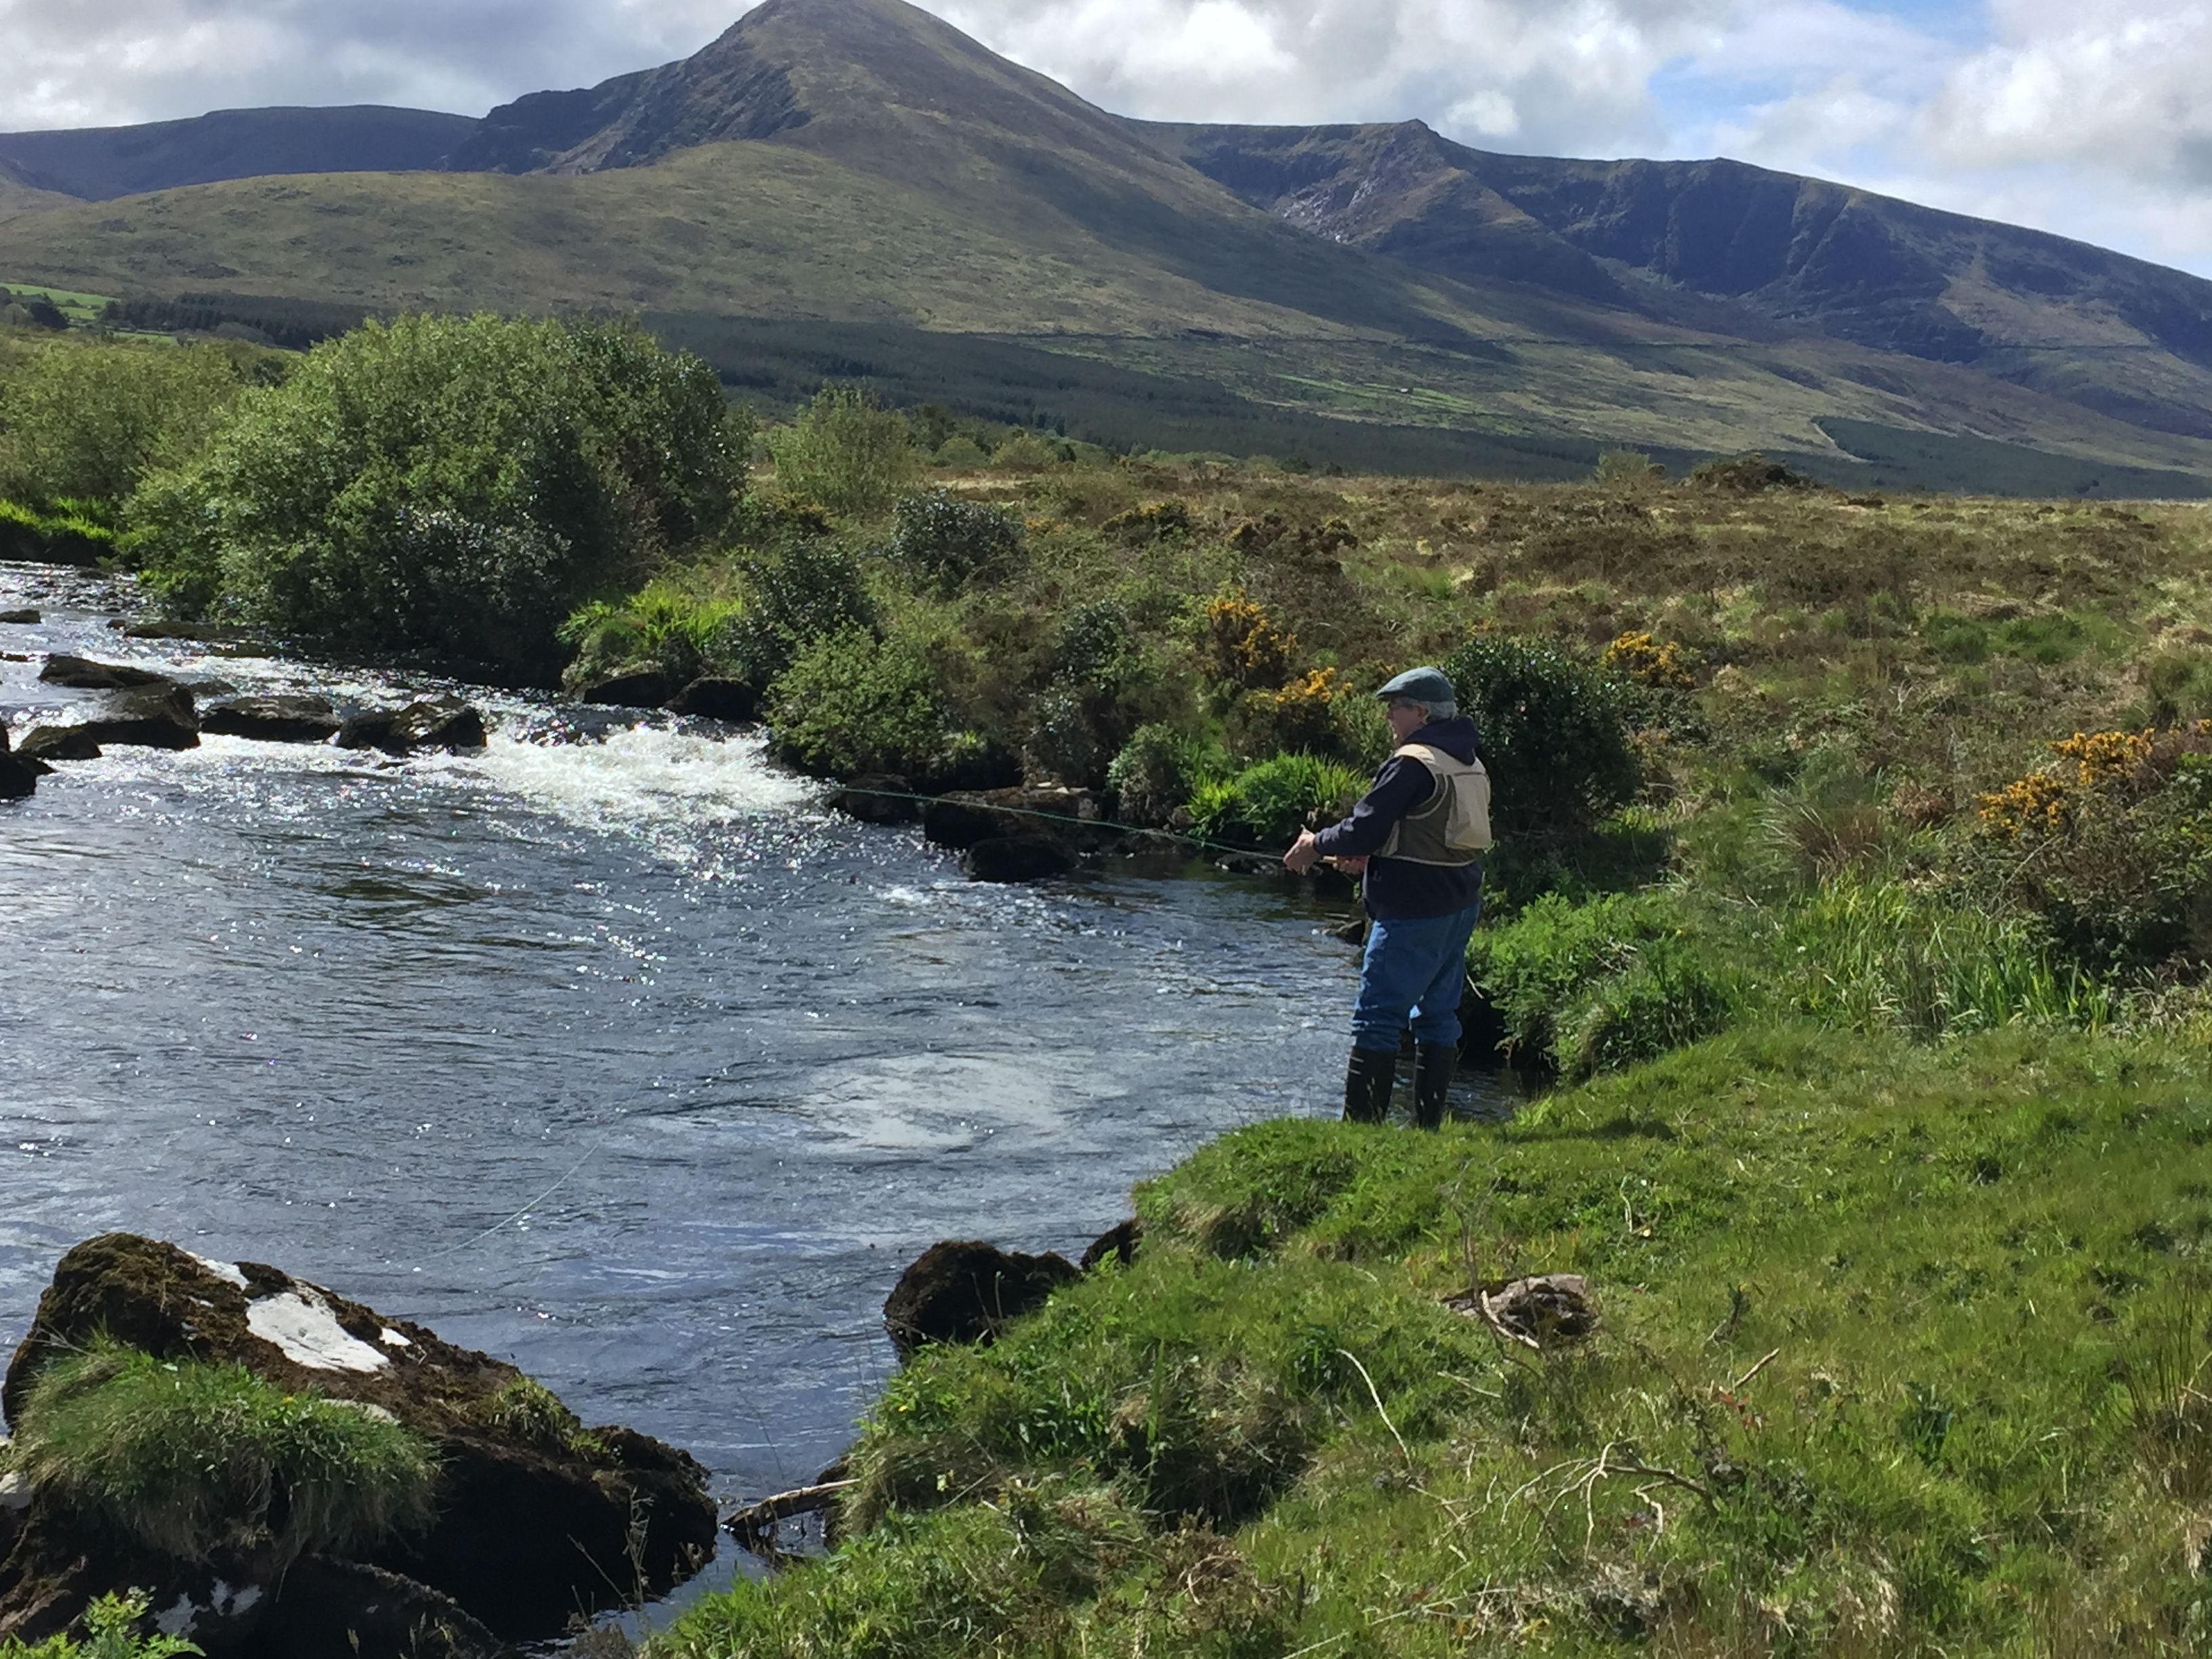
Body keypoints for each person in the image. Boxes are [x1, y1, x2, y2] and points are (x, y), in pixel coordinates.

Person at [1284, 665, 1489, 1128]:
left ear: (1421, 713)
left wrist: (1314, 845)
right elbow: (1432, 833)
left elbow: (1364, 826)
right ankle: (1428, 1127)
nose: (1389, 717)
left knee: (1377, 1017)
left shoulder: (1413, 762)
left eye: (1395, 708)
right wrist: (1374, 857)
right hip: (1459, 905)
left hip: (1412, 910)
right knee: (1438, 1016)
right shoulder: (1468, 761)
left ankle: (1361, 1133)